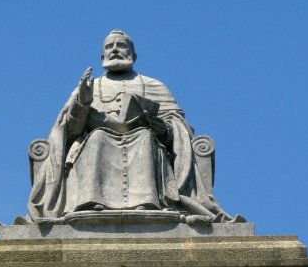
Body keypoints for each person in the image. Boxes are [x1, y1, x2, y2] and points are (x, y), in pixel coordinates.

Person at [27, 29, 239, 223]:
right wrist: (82, 102)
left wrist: (158, 125)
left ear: (133, 55)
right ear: (102, 57)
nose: (115, 50)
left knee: (144, 136)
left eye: (121, 45)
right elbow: (69, 130)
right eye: (109, 47)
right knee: (99, 135)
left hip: (145, 141)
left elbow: (179, 129)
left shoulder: (154, 85)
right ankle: (91, 202)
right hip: (94, 143)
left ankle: (147, 202)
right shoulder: (88, 87)